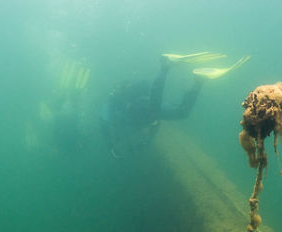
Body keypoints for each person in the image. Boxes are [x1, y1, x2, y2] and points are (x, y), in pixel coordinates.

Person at [100, 52, 249, 158]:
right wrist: (148, 140)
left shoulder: (111, 104)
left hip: (142, 106)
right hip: (150, 110)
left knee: (154, 109)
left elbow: (104, 120)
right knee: (182, 113)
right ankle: (199, 81)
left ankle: (164, 67)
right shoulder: (127, 123)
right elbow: (154, 123)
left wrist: (111, 145)